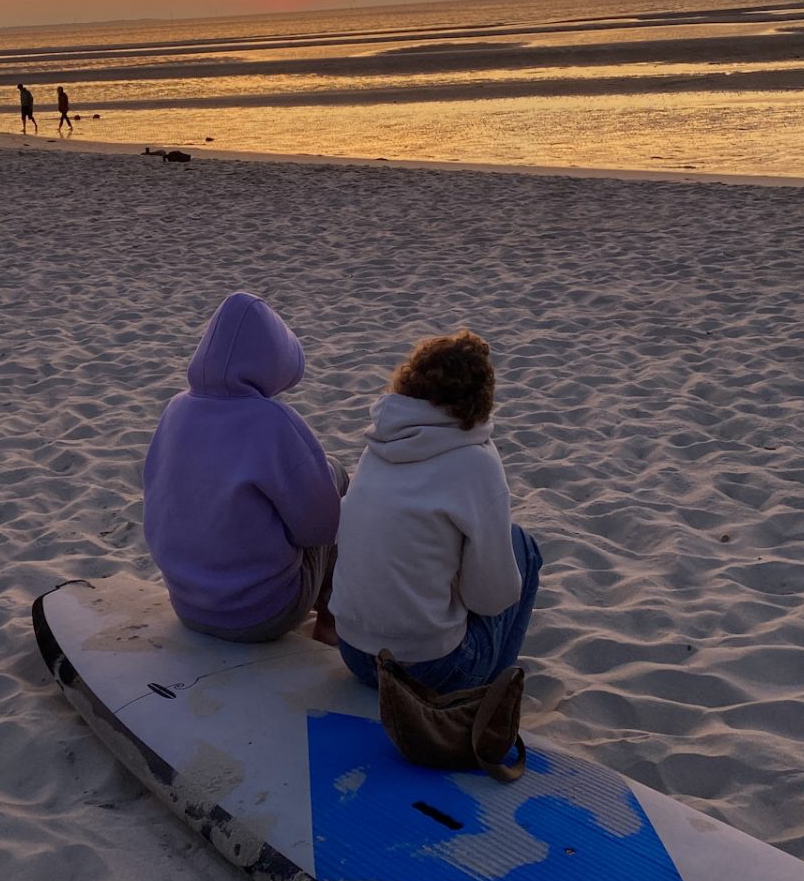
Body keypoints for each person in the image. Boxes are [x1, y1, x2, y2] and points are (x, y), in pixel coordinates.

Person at [330, 330, 543, 693]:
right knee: (522, 545)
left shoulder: (380, 444)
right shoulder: (476, 462)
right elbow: (491, 599)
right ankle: (489, 693)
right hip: (429, 670)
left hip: (353, 651)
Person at [144, 292, 347, 645]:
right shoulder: (274, 422)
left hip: (188, 604)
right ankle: (330, 621)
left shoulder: (175, 409)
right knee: (337, 476)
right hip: (263, 614)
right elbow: (322, 527)